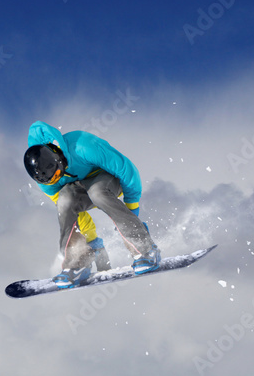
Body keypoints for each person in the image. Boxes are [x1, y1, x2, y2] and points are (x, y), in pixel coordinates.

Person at [23, 121, 161, 287]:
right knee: (64, 200)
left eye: (59, 173)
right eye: (53, 179)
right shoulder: (45, 181)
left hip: (107, 180)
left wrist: (132, 211)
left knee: (97, 193)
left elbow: (127, 169)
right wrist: (91, 241)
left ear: (57, 157)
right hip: (80, 189)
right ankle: (77, 263)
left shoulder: (82, 146)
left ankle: (145, 249)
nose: (57, 179)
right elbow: (70, 212)